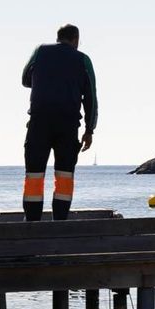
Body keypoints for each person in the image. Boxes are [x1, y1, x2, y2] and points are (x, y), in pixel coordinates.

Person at [21, 24, 97, 221]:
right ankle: (60, 223)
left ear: (58, 37)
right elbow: (91, 98)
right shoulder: (82, 60)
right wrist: (90, 130)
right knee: (64, 176)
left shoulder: (40, 51)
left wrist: (45, 80)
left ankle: (32, 224)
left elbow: (25, 79)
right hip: (67, 125)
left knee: (34, 176)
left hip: (39, 123)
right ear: (76, 39)